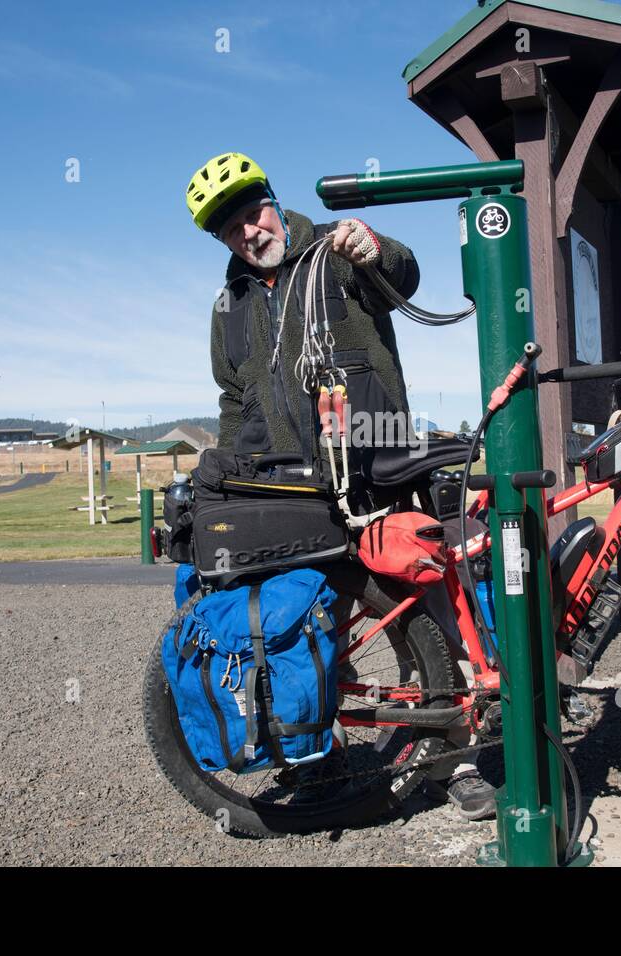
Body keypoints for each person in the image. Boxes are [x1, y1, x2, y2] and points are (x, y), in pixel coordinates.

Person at [185, 151, 496, 821]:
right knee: (308, 623)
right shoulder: (228, 305)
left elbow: (406, 275)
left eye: (252, 212)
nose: (249, 232)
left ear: (272, 199)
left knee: (428, 607)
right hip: (290, 490)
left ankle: (458, 759)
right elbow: (234, 398)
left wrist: (374, 247)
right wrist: (236, 475)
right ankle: (313, 753)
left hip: (375, 463)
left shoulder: (335, 250)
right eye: (230, 228)